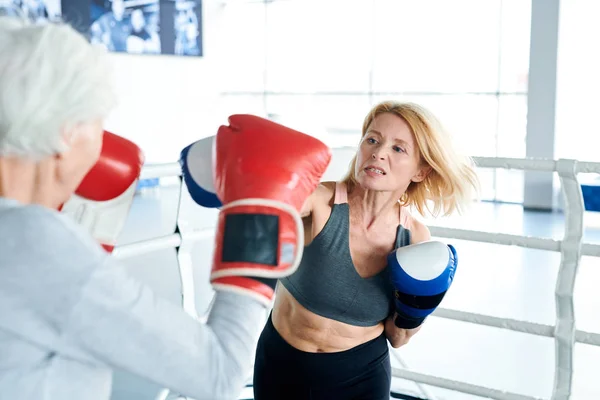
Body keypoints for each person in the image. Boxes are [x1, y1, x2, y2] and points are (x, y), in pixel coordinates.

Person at [0, 16, 331, 400]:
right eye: (98, 120)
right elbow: (217, 376)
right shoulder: (36, 242)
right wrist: (259, 215)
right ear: (67, 132)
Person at [253, 101, 480, 399]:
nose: (378, 152)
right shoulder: (320, 200)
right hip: (282, 367)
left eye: (398, 149)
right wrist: (271, 174)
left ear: (421, 172)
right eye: (372, 140)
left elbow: (398, 338)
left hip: (360, 379)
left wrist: (415, 312)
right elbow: (264, 209)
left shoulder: (414, 239)